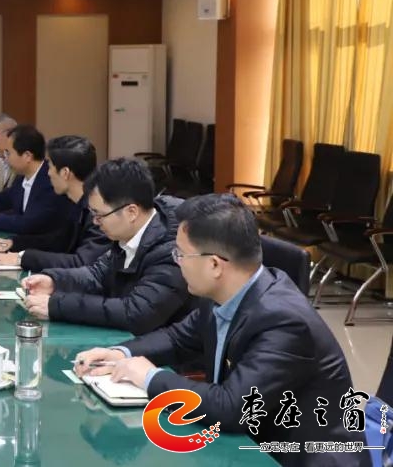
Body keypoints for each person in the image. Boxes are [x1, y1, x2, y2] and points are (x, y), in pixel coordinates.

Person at [74, 194, 367, 466]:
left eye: (181, 254)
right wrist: (121, 354)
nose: (177, 263)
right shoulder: (224, 292)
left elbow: (231, 407)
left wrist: (150, 377)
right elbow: (178, 338)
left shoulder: (284, 321)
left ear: (215, 264)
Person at [18, 158, 193, 335]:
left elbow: (137, 312)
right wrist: (54, 281)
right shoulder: (127, 234)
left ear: (131, 212)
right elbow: (97, 275)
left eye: (100, 215)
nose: (95, 222)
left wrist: (57, 305)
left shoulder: (172, 248)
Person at [0, 135, 111, 271]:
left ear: (65, 173)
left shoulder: (99, 213)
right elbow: (58, 241)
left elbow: (82, 262)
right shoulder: (71, 203)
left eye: (50, 167)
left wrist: (20, 259)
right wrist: (12, 243)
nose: (48, 173)